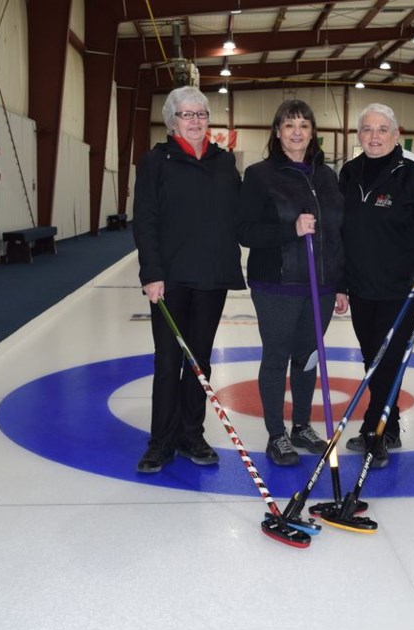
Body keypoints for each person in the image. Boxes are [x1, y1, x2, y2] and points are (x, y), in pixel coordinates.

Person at [132, 86, 246, 473]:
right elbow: (145, 221)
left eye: (201, 114)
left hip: (211, 278)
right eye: (187, 115)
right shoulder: (155, 162)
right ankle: (160, 441)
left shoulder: (223, 163)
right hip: (171, 279)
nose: (196, 121)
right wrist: (151, 273)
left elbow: (242, 215)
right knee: (168, 362)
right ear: (171, 121)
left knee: (200, 363)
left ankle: (190, 434)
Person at [237, 99, 348, 466]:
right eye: (289, 125)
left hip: (321, 285)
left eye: (304, 124)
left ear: (313, 132)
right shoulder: (259, 175)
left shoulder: (327, 176)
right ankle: (276, 434)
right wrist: (290, 229)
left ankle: (301, 425)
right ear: (277, 132)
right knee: (277, 356)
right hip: (278, 284)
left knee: (307, 357)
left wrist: (341, 281)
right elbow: (245, 230)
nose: (297, 131)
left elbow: (338, 232)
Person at [339, 103, 414, 468]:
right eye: (367, 129)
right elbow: (339, 230)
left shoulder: (412, 170)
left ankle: (376, 433)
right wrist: (340, 281)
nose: (374, 136)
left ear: (396, 134)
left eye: (382, 129)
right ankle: (390, 425)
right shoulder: (349, 173)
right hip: (362, 286)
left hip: (401, 288)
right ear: (359, 135)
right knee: (372, 359)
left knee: (387, 361)